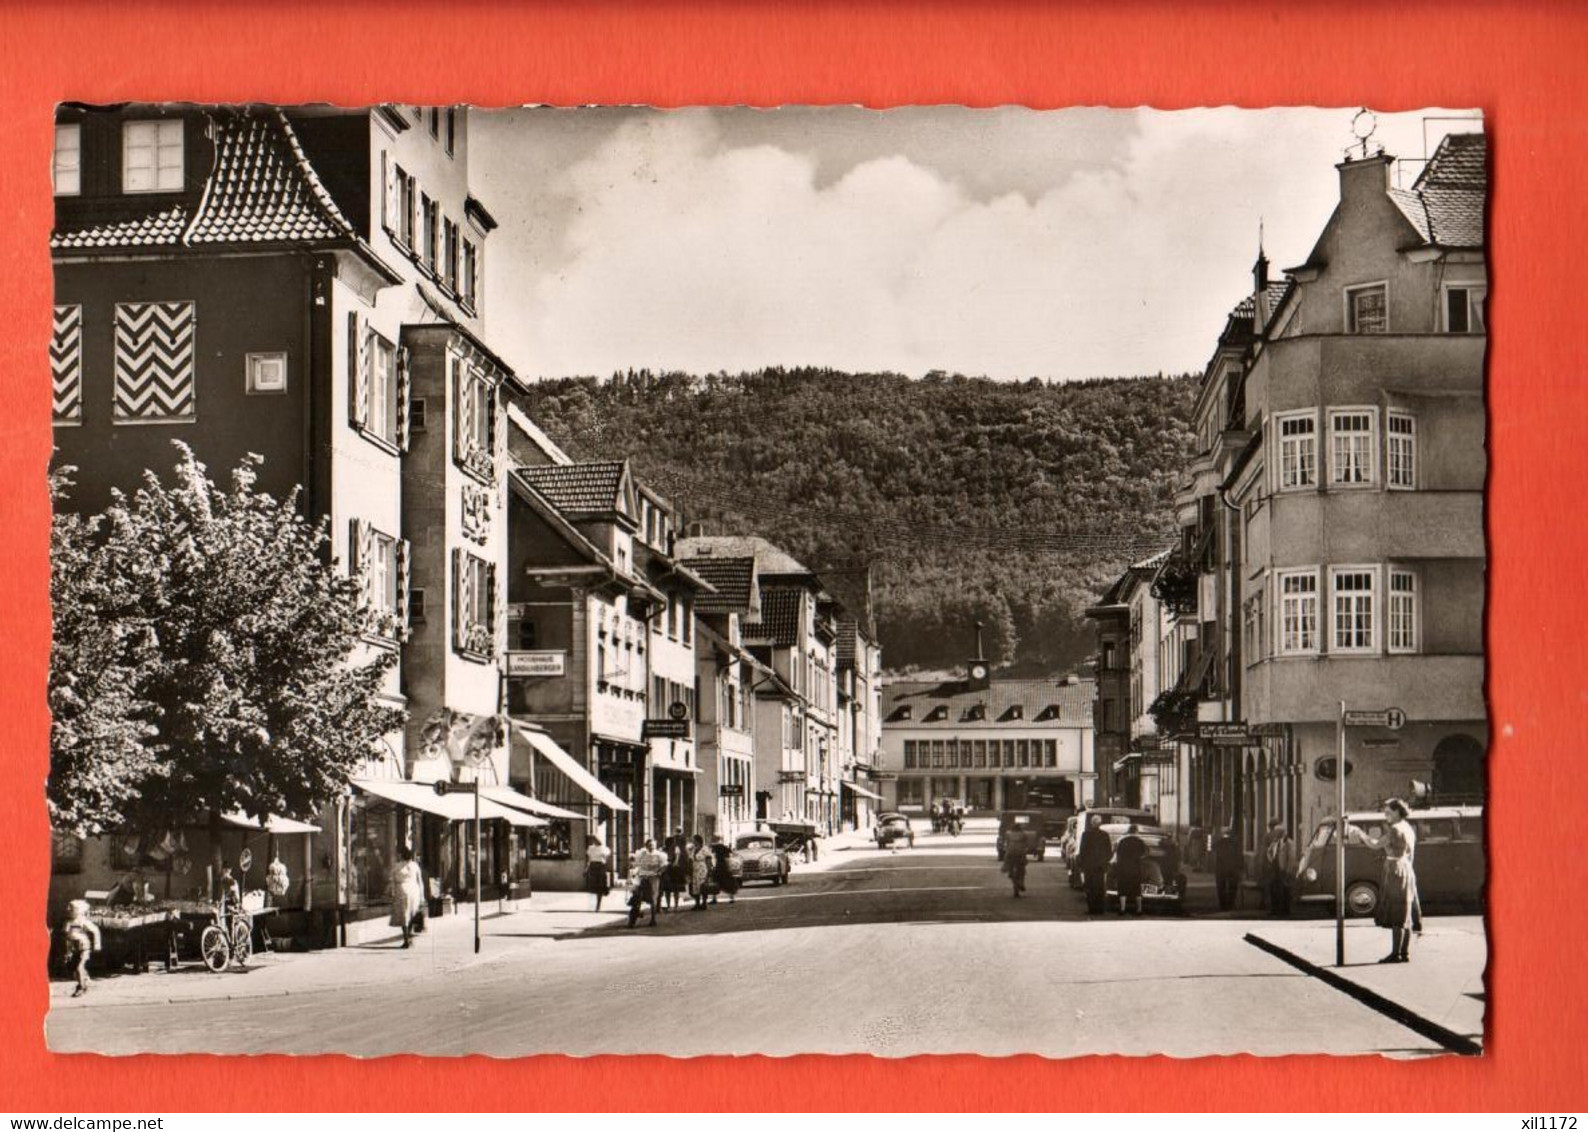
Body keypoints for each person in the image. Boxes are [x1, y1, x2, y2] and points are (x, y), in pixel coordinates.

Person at [1368, 798, 1421, 963]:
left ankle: (1395, 954)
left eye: (1388, 812)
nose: (1386, 815)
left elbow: (1375, 844)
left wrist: (1359, 834)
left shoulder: (1394, 829)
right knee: (1406, 912)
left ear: (1397, 812)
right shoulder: (1409, 829)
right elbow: (1410, 855)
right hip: (1407, 869)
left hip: (1395, 870)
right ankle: (1404, 953)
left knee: (1397, 911)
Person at [62, 899, 102, 998]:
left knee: (79, 967)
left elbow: (95, 931)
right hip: (73, 948)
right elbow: (67, 937)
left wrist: (97, 944)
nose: (68, 910)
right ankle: (84, 980)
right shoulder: (68, 923)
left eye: (71, 908)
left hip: (83, 947)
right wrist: (67, 951)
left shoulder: (83, 921)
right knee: (76, 969)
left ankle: (81, 987)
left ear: (78, 910)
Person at [388, 847, 425, 949]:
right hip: (414, 891)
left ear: (401, 856)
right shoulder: (415, 866)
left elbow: (392, 881)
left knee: (403, 916)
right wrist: (422, 896)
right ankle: (409, 936)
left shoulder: (396, 866)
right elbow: (420, 882)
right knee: (412, 914)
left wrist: (392, 893)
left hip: (402, 891)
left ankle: (406, 939)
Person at [1077, 814, 1113, 915]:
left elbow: (1082, 850)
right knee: (1099, 887)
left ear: (1091, 823)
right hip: (1100, 867)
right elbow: (1109, 851)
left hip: (1089, 866)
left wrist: (1081, 864)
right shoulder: (1105, 835)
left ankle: (1091, 909)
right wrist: (1105, 862)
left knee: (1089, 888)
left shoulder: (1086, 834)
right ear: (1100, 823)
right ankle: (1100, 909)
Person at [628, 838, 666, 927]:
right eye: (649, 845)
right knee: (637, 895)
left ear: (655, 846)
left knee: (653, 898)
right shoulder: (642, 854)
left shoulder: (659, 855)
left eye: (653, 845)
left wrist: (660, 872)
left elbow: (664, 865)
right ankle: (634, 916)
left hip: (653, 877)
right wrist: (632, 863)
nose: (651, 847)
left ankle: (653, 919)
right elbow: (635, 862)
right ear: (646, 846)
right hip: (642, 876)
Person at [1113, 824, 1148, 915]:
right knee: (1137, 890)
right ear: (1136, 831)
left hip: (1123, 868)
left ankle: (1122, 909)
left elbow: (1117, 854)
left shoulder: (1122, 841)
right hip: (1136, 868)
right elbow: (1144, 854)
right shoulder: (1140, 842)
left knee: (1123, 889)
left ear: (1128, 831)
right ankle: (1139, 909)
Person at [1265, 822, 1298, 918]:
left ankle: (1286, 910)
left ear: (1283, 833)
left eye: (1278, 832)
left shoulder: (1289, 843)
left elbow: (1291, 858)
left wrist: (1288, 871)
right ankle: (1274, 909)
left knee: (1285, 890)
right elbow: (1270, 853)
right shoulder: (1275, 843)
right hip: (1275, 870)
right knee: (1274, 890)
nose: (1276, 834)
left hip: (1284, 870)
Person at [1212, 827, 1244, 911]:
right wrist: (1241, 867)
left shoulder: (1217, 843)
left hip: (1221, 869)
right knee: (1233, 887)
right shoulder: (1235, 843)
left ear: (1222, 834)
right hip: (1233, 869)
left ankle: (1223, 905)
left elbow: (1213, 853)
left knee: (1221, 887)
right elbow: (1239, 856)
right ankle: (1231, 904)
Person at [583, 836, 612, 912]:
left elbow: (606, 859)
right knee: (594, 887)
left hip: (600, 867)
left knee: (600, 887)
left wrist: (606, 867)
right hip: (593, 867)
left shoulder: (604, 848)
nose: (595, 841)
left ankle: (598, 905)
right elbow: (589, 860)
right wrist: (586, 869)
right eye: (594, 840)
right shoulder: (591, 848)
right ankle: (596, 904)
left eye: (596, 839)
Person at [709, 835, 741, 904]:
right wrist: (729, 868)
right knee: (728, 882)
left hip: (718, 867)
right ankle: (731, 897)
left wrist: (712, 866)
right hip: (724, 867)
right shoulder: (723, 848)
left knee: (715, 882)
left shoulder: (716, 848)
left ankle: (714, 898)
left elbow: (713, 858)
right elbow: (727, 859)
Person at [1002, 824, 1031, 897]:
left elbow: (1007, 844)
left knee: (1008, 864)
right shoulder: (1023, 834)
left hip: (1011, 853)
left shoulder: (1009, 834)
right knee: (1022, 868)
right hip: (1020, 853)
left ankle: (1007, 870)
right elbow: (1026, 844)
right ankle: (1021, 883)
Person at [688, 834, 713, 910]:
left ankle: (704, 903)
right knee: (695, 887)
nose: (693, 842)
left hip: (702, 868)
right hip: (695, 869)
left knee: (703, 886)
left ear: (698, 841)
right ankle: (697, 904)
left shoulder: (705, 849)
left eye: (694, 840)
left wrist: (709, 870)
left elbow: (708, 859)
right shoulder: (693, 849)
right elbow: (690, 859)